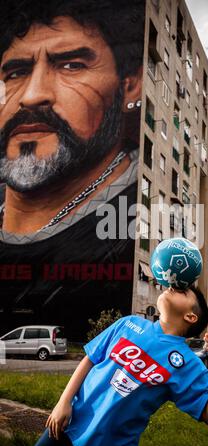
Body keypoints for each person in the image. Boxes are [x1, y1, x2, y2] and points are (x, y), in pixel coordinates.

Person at [0, 0, 145, 339]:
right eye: (16, 72)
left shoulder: (133, 225)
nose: (32, 96)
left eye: (71, 65)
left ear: (129, 84)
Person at [33, 286, 208, 446]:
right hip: (68, 423)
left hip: (113, 445)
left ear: (190, 316)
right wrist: (63, 402)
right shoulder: (129, 323)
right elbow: (90, 359)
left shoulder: (187, 363)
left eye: (182, 291)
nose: (173, 286)